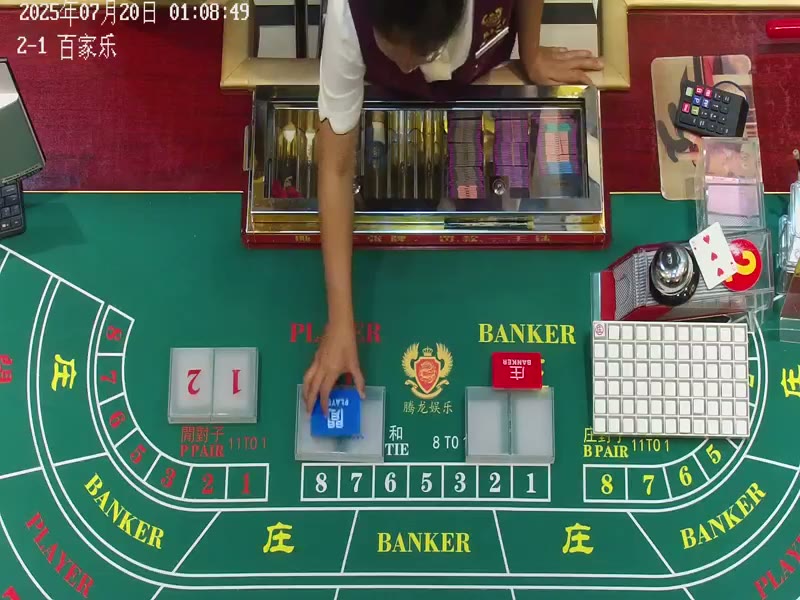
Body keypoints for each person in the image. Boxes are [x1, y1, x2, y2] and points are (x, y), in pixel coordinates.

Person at [302, 0, 603, 413]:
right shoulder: (347, 13)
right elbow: (336, 167)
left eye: (421, 54)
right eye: (389, 48)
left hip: (481, 70)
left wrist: (531, 54)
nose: (405, 67)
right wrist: (339, 323)